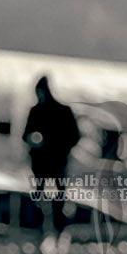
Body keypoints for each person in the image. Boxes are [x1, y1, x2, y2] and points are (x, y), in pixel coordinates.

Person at [22, 76, 80, 233]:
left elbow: (74, 136)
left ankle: (57, 226)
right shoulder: (36, 111)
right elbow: (25, 134)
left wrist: (58, 147)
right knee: (40, 194)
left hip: (56, 160)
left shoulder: (62, 111)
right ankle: (39, 226)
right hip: (41, 162)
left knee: (58, 195)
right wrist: (33, 139)